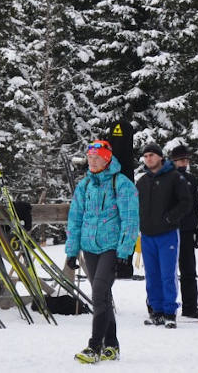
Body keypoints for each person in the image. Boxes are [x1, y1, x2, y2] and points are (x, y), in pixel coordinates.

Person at [66, 139, 139, 364]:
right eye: (89, 158)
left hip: (111, 247)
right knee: (104, 296)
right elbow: (75, 218)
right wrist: (71, 251)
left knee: (98, 293)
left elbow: (130, 220)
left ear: (106, 159)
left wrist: (124, 252)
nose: (92, 162)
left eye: (96, 158)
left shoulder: (122, 184)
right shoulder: (85, 185)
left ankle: (94, 346)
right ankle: (112, 345)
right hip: (89, 247)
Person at [136, 143, 194, 327]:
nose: (149, 159)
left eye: (152, 155)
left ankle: (170, 312)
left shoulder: (174, 177)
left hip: (167, 234)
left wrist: (170, 218)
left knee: (167, 274)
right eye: (146, 156)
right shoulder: (142, 181)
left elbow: (186, 202)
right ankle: (156, 310)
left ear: (160, 157)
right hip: (147, 235)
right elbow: (136, 205)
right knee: (151, 274)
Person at [169, 144, 198, 319]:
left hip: (187, 230)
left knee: (189, 270)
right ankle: (160, 306)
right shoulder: (167, 178)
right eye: (181, 160)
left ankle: (190, 306)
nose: (185, 162)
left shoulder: (191, 179)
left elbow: (197, 206)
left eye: (186, 160)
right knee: (166, 270)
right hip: (169, 231)